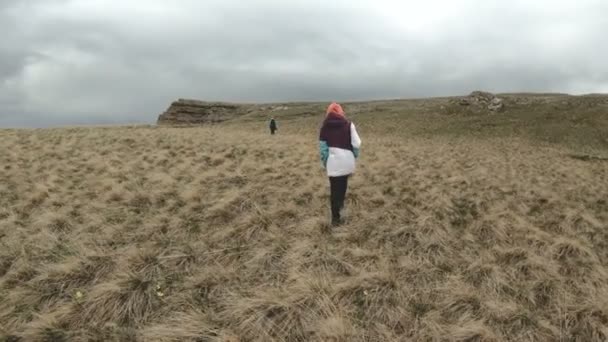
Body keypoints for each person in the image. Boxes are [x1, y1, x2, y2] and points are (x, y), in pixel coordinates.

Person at [319, 102, 361, 226]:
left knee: (334, 190)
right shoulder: (349, 125)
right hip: (347, 161)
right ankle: (341, 209)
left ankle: (335, 219)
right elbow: (357, 144)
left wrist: (326, 161)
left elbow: (323, 149)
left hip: (333, 163)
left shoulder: (324, 127)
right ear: (341, 112)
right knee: (343, 187)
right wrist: (354, 155)